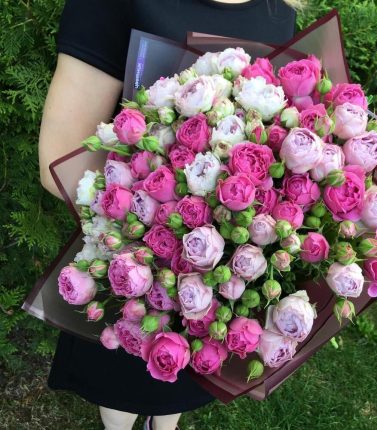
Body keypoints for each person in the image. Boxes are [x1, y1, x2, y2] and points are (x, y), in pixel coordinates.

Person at [39, 1, 300, 429]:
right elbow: (60, 163)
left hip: (225, 276)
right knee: (123, 388)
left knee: (180, 382)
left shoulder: (279, 13)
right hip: (137, 262)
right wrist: (166, 206)